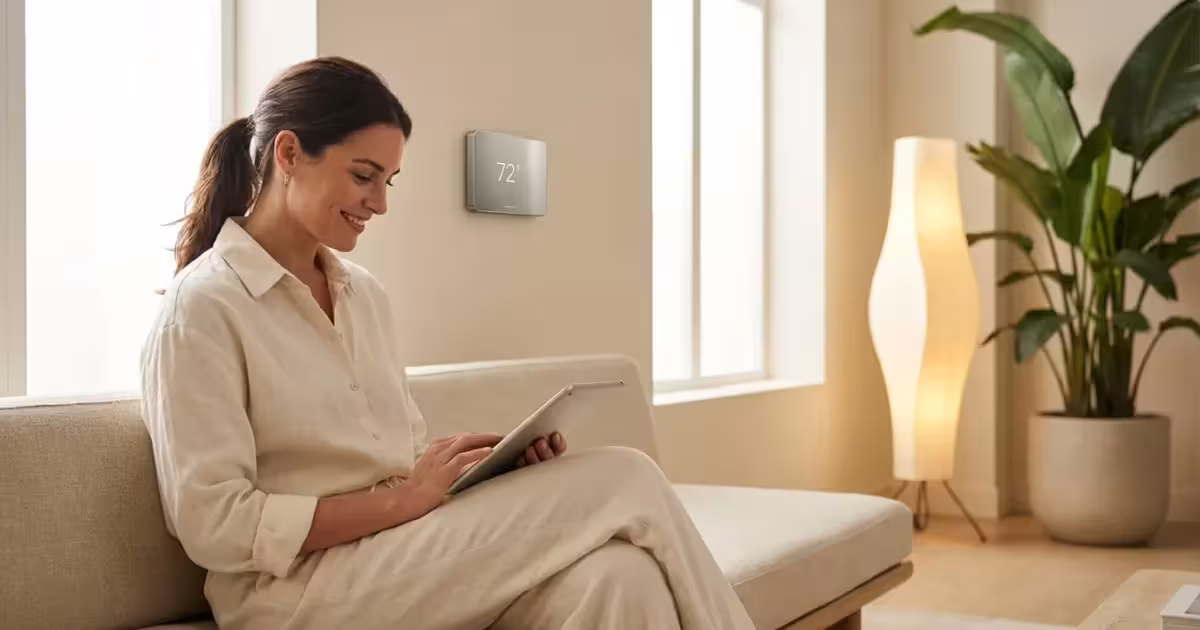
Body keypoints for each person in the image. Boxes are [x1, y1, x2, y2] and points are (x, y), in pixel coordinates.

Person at [140, 56, 755, 630]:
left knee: (620, 577)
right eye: (363, 176)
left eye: (389, 181)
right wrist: (402, 503)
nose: (379, 203)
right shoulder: (203, 309)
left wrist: (489, 475)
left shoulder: (366, 298)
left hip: (396, 555)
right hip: (293, 594)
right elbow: (213, 524)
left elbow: (398, 463)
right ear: (290, 153)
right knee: (627, 477)